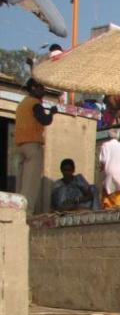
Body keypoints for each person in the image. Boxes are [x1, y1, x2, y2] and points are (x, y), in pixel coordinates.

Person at [14, 78, 54, 214]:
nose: (43, 90)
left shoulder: (22, 104)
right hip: (32, 145)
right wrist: (52, 113)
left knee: (21, 183)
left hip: (20, 146)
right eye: (40, 87)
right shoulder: (35, 103)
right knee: (31, 183)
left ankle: (16, 211)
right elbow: (45, 120)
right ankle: (26, 213)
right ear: (33, 88)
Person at [98, 129, 120, 208]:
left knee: (107, 198)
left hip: (110, 173)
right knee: (118, 199)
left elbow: (103, 161)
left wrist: (101, 170)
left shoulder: (105, 145)